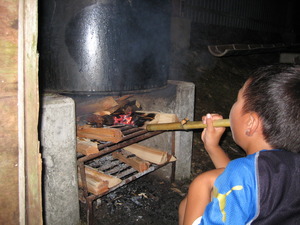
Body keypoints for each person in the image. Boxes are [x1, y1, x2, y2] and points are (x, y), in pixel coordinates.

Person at [179, 64, 300, 225]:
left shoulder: (244, 174)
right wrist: (212, 146)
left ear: (250, 122)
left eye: (237, 99)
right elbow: (246, 182)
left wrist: (200, 184)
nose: (233, 105)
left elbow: (240, 180)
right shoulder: (290, 164)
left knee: (196, 193)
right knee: (188, 203)